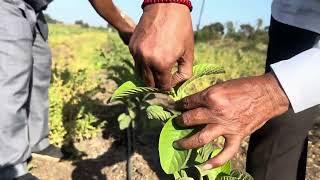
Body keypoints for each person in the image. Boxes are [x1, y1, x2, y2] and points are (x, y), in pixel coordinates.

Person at [128, 0, 320, 180]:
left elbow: (282, 91)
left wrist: (273, 92)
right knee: (276, 132)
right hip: (293, 13)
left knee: (285, 108)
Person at [0, 0, 135, 179]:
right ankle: (9, 166)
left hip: (33, 7)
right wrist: (125, 26)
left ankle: (37, 142)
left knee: (39, 68)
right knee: (10, 78)